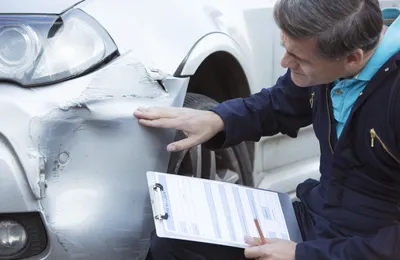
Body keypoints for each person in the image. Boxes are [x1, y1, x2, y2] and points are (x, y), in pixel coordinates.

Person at [134, 0, 400, 259]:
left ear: (352, 58)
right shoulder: (331, 59)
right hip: (317, 219)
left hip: (368, 245)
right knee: (175, 238)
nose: (285, 62)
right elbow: (281, 102)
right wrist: (217, 120)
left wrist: (302, 254)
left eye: (297, 58)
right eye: (285, 48)